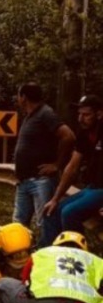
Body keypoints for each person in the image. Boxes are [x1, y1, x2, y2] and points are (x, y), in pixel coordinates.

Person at [12, 82, 75, 248]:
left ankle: (46, 258)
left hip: (40, 180)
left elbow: (68, 136)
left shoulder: (45, 113)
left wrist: (57, 164)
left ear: (23, 97)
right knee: (18, 225)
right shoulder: (30, 115)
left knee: (45, 224)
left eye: (19, 95)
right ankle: (20, 258)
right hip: (24, 180)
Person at [42, 94, 103, 235]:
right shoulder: (84, 134)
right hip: (92, 188)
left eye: (86, 114)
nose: (80, 118)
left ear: (99, 114)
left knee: (69, 213)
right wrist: (55, 199)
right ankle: (49, 252)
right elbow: (72, 167)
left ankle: (76, 254)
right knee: (51, 211)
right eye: (79, 114)